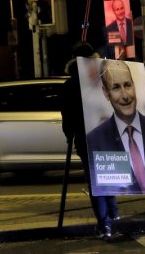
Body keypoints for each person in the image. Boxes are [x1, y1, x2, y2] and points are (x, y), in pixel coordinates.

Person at [61, 42, 119, 241]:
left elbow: (67, 115)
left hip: (86, 139)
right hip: (107, 135)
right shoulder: (103, 79)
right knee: (108, 177)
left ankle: (105, 224)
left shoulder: (71, 84)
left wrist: (69, 134)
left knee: (96, 183)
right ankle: (113, 214)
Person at [86, 60, 145, 195]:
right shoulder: (95, 140)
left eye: (128, 85)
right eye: (116, 87)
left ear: (134, 85)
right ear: (106, 93)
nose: (125, 96)